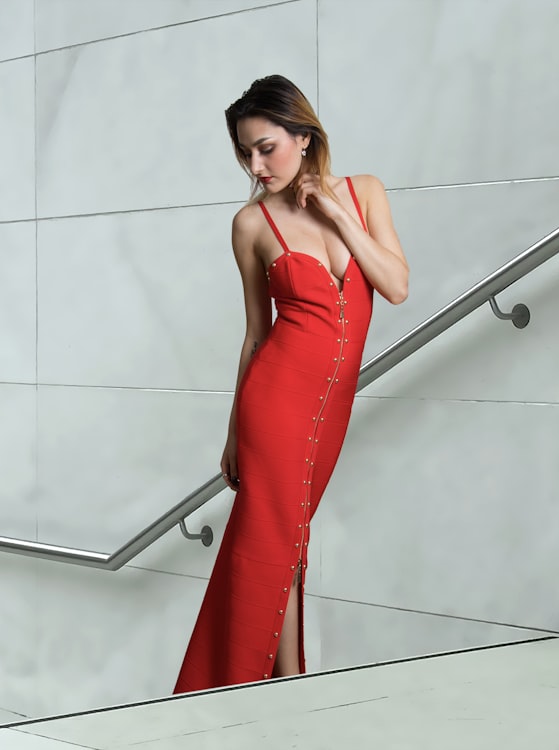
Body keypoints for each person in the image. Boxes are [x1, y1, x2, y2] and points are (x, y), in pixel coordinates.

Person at [174, 75, 409, 694]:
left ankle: (277, 687)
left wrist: (334, 213)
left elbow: (396, 285)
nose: (255, 166)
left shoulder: (364, 193)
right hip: (273, 405)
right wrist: (232, 434)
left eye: (266, 147)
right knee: (275, 540)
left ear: (303, 137)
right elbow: (255, 335)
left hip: (329, 408)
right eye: (244, 153)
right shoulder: (250, 225)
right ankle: (284, 687)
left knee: (291, 541)